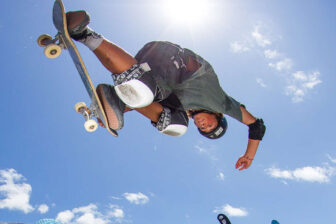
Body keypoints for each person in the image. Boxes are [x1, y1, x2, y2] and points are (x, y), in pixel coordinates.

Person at [64, 11, 266, 170]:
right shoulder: (222, 102)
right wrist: (249, 156)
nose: (204, 125)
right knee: (149, 91)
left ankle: (114, 98)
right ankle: (85, 34)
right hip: (173, 59)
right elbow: (256, 125)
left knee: (177, 126)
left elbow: (146, 105)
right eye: (210, 125)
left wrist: (108, 110)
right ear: (217, 116)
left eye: (203, 129)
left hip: (156, 76)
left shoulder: (181, 107)